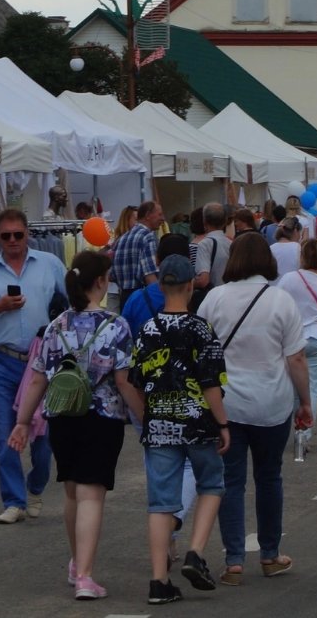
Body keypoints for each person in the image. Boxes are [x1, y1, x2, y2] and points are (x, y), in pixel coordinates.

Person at [9, 251, 134, 601]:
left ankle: (77, 561)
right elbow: (123, 381)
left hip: (61, 416)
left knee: (71, 490)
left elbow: (36, 379)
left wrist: (22, 422)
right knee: (92, 494)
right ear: (100, 281)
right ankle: (85, 576)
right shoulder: (116, 325)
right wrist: (144, 416)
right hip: (102, 418)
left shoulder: (55, 325)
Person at [197, 233, 312, 585]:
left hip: (225, 406)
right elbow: (295, 357)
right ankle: (269, 554)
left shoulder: (214, 298)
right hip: (271, 403)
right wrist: (305, 401)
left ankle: (233, 560)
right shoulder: (281, 300)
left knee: (230, 481)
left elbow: (198, 350)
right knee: (269, 476)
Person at [119, 254, 230, 606]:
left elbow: (134, 380)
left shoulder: (146, 330)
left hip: (160, 427)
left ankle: (158, 580)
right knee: (212, 484)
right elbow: (212, 382)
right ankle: (196, 552)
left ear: (162, 287)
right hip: (198, 423)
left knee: (161, 503)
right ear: (189, 286)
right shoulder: (200, 329)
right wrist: (223, 422)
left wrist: (148, 415)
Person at [0, 208, 68, 524]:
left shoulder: (50, 264)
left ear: (27, 235)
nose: (12, 241)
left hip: (43, 362)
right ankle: (14, 500)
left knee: (44, 436)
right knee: (6, 433)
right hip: (4, 359)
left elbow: (70, 302)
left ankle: (35, 485)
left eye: (17, 235)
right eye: (6, 236)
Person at [277, 238, 317, 455]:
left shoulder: (288, 278)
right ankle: (304, 436)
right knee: (313, 389)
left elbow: (279, 305)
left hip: (293, 339)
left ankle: (292, 431)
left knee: (292, 390)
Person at [111, 200, 163, 309]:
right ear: (148, 215)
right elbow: (150, 275)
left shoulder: (121, 239)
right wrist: (159, 300)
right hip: (142, 298)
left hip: (124, 297)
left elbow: (112, 275)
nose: (162, 219)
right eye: (159, 215)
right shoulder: (147, 237)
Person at [195, 203, 233, 289]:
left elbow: (203, 281)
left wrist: (189, 284)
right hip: (231, 293)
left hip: (213, 294)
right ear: (225, 222)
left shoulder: (204, 244)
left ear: (204, 221)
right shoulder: (232, 243)